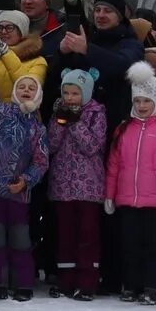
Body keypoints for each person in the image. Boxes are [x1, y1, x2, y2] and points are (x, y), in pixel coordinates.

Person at [104, 61, 156, 302]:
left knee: (155, 246)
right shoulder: (123, 129)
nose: (141, 106)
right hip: (128, 199)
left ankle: (154, 285)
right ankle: (132, 284)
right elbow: (114, 165)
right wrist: (109, 194)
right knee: (130, 245)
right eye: (137, 101)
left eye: (147, 101)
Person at [0, 72, 51, 301]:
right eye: (22, 87)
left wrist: (26, 180)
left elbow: (41, 161)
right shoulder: (2, 112)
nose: (26, 90)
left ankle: (23, 283)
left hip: (18, 191)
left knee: (20, 237)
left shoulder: (38, 129)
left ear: (38, 96)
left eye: (31, 88)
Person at [44, 68, 107, 298]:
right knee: (65, 234)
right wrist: (61, 122)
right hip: (62, 185)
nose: (70, 98)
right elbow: (50, 145)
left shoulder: (95, 113)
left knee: (87, 235)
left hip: (88, 187)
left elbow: (92, 146)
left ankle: (87, 281)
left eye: (75, 93)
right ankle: (66, 281)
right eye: (66, 93)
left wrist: (75, 123)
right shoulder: (57, 111)